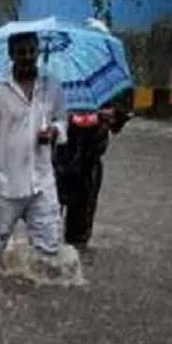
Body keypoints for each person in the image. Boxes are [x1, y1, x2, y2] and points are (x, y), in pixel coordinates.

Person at [0, 31, 67, 265]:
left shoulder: (51, 85)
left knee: (50, 253)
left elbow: (63, 120)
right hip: (5, 185)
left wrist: (54, 131)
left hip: (42, 183)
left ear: (38, 52)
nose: (27, 57)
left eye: (32, 51)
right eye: (21, 52)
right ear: (11, 54)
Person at [54, 96, 130, 249]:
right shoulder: (47, 88)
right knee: (45, 229)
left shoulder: (103, 89)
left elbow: (121, 117)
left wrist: (109, 116)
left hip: (88, 167)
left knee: (78, 235)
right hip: (56, 165)